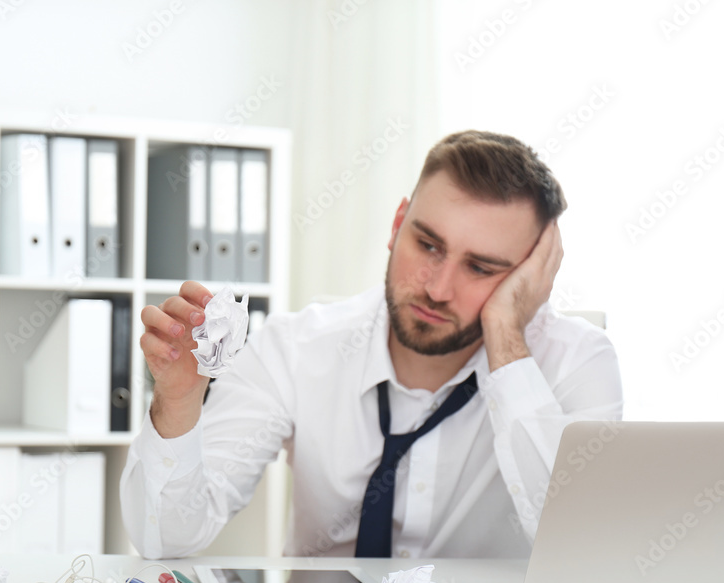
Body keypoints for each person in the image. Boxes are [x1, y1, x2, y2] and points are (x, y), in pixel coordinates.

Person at [121, 130, 623, 560]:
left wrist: (507, 341)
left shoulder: (576, 362)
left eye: (481, 268)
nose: (437, 287)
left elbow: (586, 554)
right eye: (427, 244)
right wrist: (180, 402)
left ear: (531, 277)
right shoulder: (294, 350)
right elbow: (163, 541)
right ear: (396, 224)